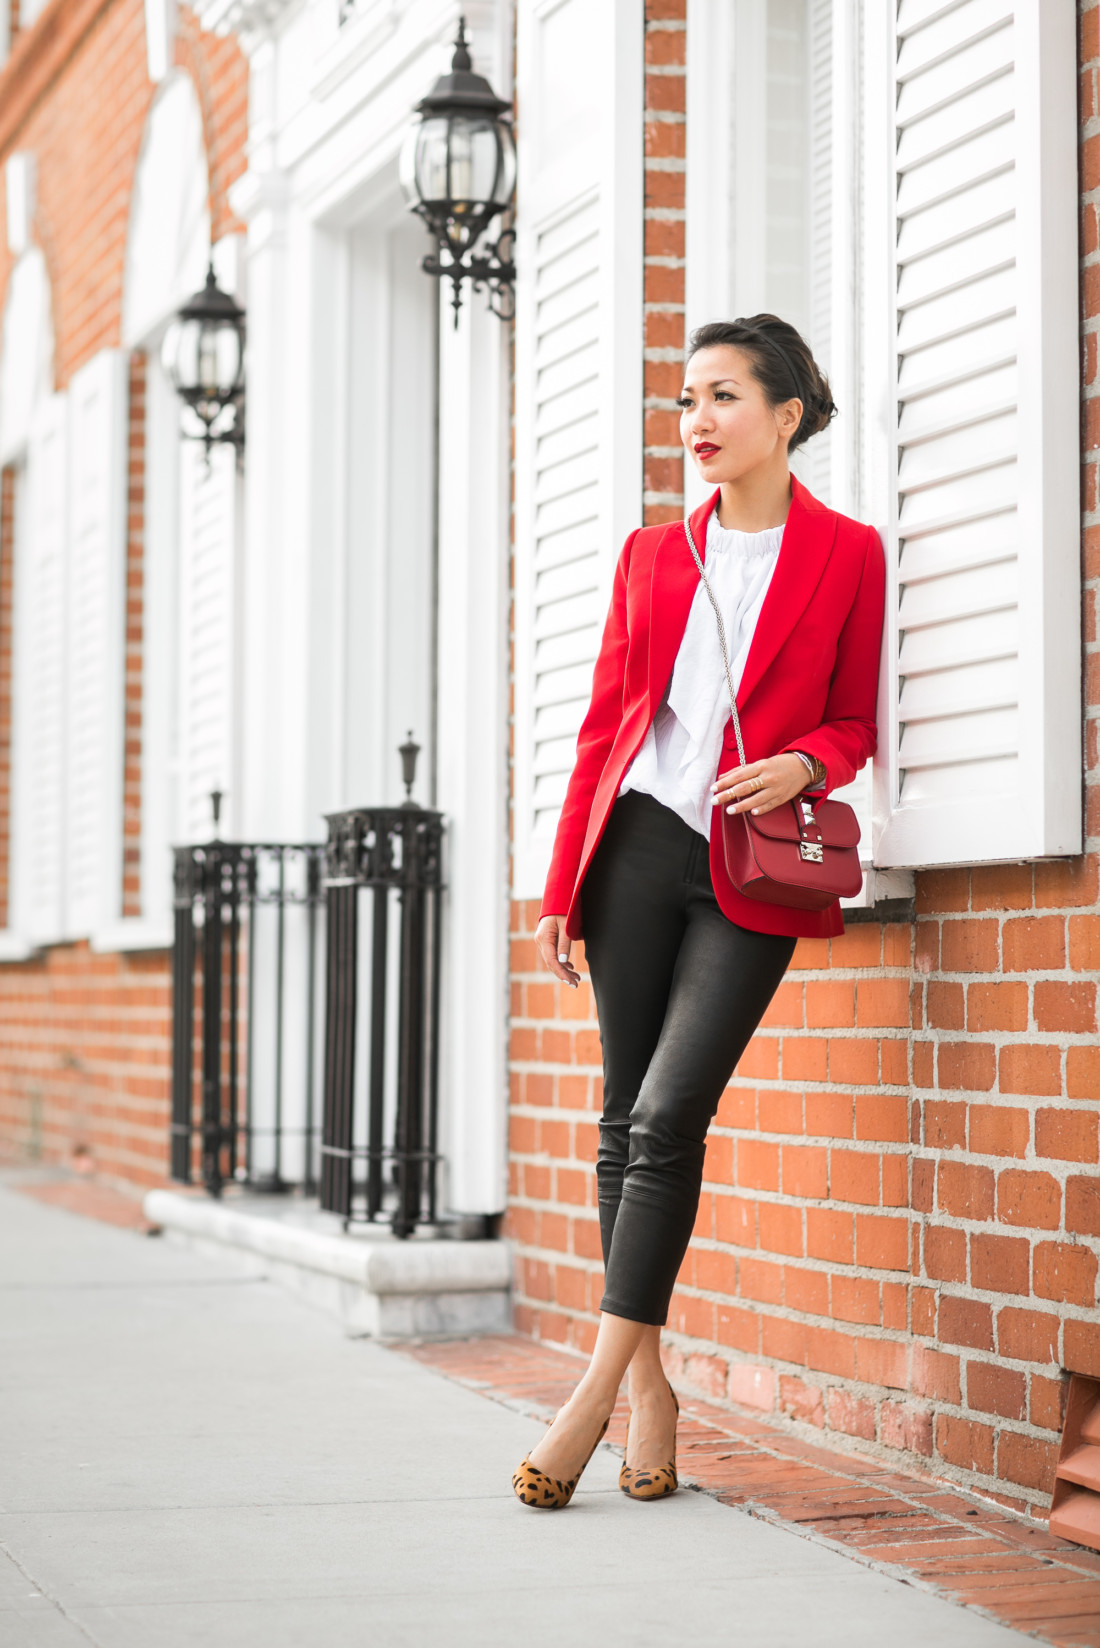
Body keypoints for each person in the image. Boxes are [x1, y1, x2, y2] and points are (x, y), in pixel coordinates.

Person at [511, 315, 886, 1511]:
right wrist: (561, 881)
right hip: (633, 848)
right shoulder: (650, 554)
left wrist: (804, 769)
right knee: (624, 1115)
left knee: (672, 1109)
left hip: (753, 866)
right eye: (686, 402)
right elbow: (602, 730)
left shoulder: (847, 552)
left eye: (721, 397)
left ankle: (588, 1393)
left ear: (785, 415)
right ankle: (653, 1389)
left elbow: (853, 723)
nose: (698, 423)